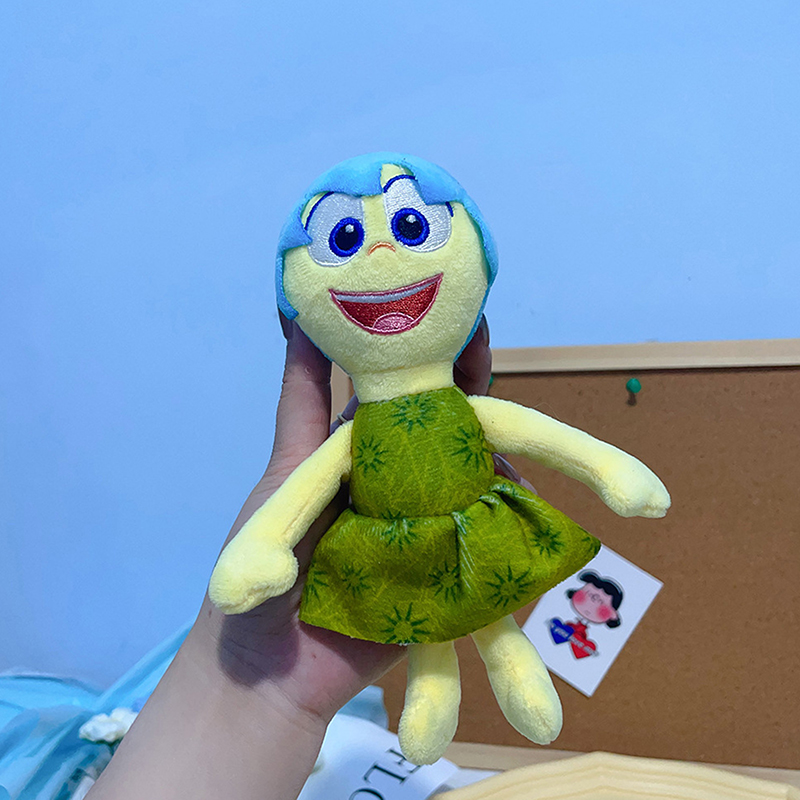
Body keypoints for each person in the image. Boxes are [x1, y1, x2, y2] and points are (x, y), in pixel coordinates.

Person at [87, 313, 501, 799]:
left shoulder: (439, 418)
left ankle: (513, 673)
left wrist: (256, 683)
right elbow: (303, 491)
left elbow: (536, 435)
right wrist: (263, 562)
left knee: (488, 616)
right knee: (460, 618)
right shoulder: (353, 440)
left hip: (428, 543)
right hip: (373, 556)